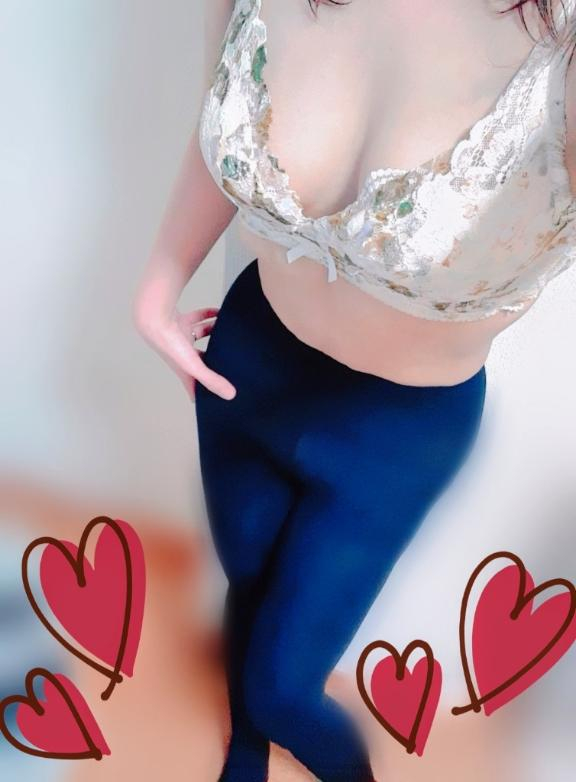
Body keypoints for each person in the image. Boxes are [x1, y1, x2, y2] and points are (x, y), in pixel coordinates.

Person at [134, 1, 576, 780]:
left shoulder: (560, 51)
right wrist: (160, 284)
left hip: (393, 438)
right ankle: (244, 757)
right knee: (251, 587)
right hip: (247, 363)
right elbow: (225, 112)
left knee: (282, 689)